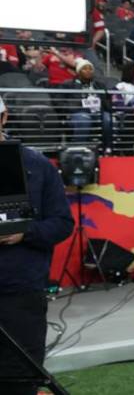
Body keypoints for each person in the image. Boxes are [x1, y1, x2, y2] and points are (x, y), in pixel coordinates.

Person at [0, 96, 74, 395]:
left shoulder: (36, 165)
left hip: (21, 291)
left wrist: (24, 233)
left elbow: (62, 223)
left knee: (22, 378)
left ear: (3, 119)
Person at [61, 59, 113, 151]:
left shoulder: (99, 85)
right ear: (78, 71)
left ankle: (107, 148)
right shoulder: (69, 84)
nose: (88, 71)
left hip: (98, 111)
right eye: (85, 69)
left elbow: (106, 100)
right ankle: (78, 148)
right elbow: (62, 101)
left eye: (90, 69)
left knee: (108, 118)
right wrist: (82, 103)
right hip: (79, 111)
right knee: (83, 119)